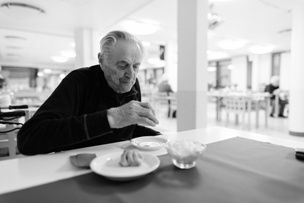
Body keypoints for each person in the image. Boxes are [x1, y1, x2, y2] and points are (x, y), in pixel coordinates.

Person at [17, 30, 160, 155]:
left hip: (115, 162)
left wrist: (160, 138)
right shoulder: (79, 81)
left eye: (136, 66)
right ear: (102, 61)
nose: (131, 75)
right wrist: (112, 118)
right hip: (76, 166)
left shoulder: (132, 84)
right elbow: (28, 139)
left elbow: (125, 131)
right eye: (122, 65)